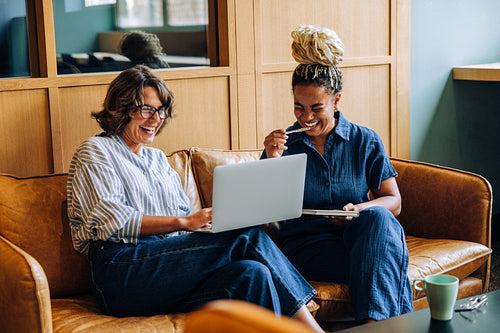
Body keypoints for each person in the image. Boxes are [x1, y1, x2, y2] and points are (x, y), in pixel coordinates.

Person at [66, 65, 324, 332]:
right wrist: (184, 222)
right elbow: (114, 222)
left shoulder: (158, 160)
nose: (156, 119)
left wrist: (206, 226)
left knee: (252, 274)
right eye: (147, 109)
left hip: (163, 266)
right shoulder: (96, 150)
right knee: (248, 236)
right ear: (121, 108)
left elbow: (182, 230)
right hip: (119, 269)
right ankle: (314, 330)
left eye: (161, 111)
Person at [262, 25, 414, 324]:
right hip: (307, 248)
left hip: (357, 239)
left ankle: (372, 325)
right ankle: (382, 327)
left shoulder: (365, 140)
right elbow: (264, 212)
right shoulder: (283, 146)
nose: (306, 117)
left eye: (316, 107)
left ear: (337, 101)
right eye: (298, 107)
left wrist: (358, 210)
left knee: (379, 219)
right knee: (384, 261)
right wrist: (269, 160)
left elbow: (393, 201)